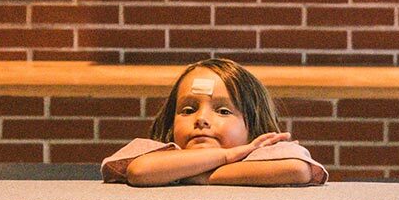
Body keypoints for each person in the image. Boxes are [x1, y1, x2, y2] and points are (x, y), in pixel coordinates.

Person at [102, 58, 328, 187]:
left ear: (253, 125)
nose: (201, 119)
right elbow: (140, 171)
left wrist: (198, 175)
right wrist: (226, 156)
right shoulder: (163, 152)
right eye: (188, 110)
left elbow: (297, 169)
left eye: (223, 111)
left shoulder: (263, 151)